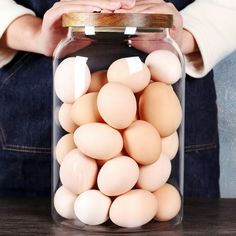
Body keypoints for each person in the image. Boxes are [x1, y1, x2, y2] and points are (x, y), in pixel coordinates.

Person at [0, 0, 236, 197]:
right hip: (34, 83)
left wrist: (182, 38)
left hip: (170, 74)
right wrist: (30, 33)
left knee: (168, 209)